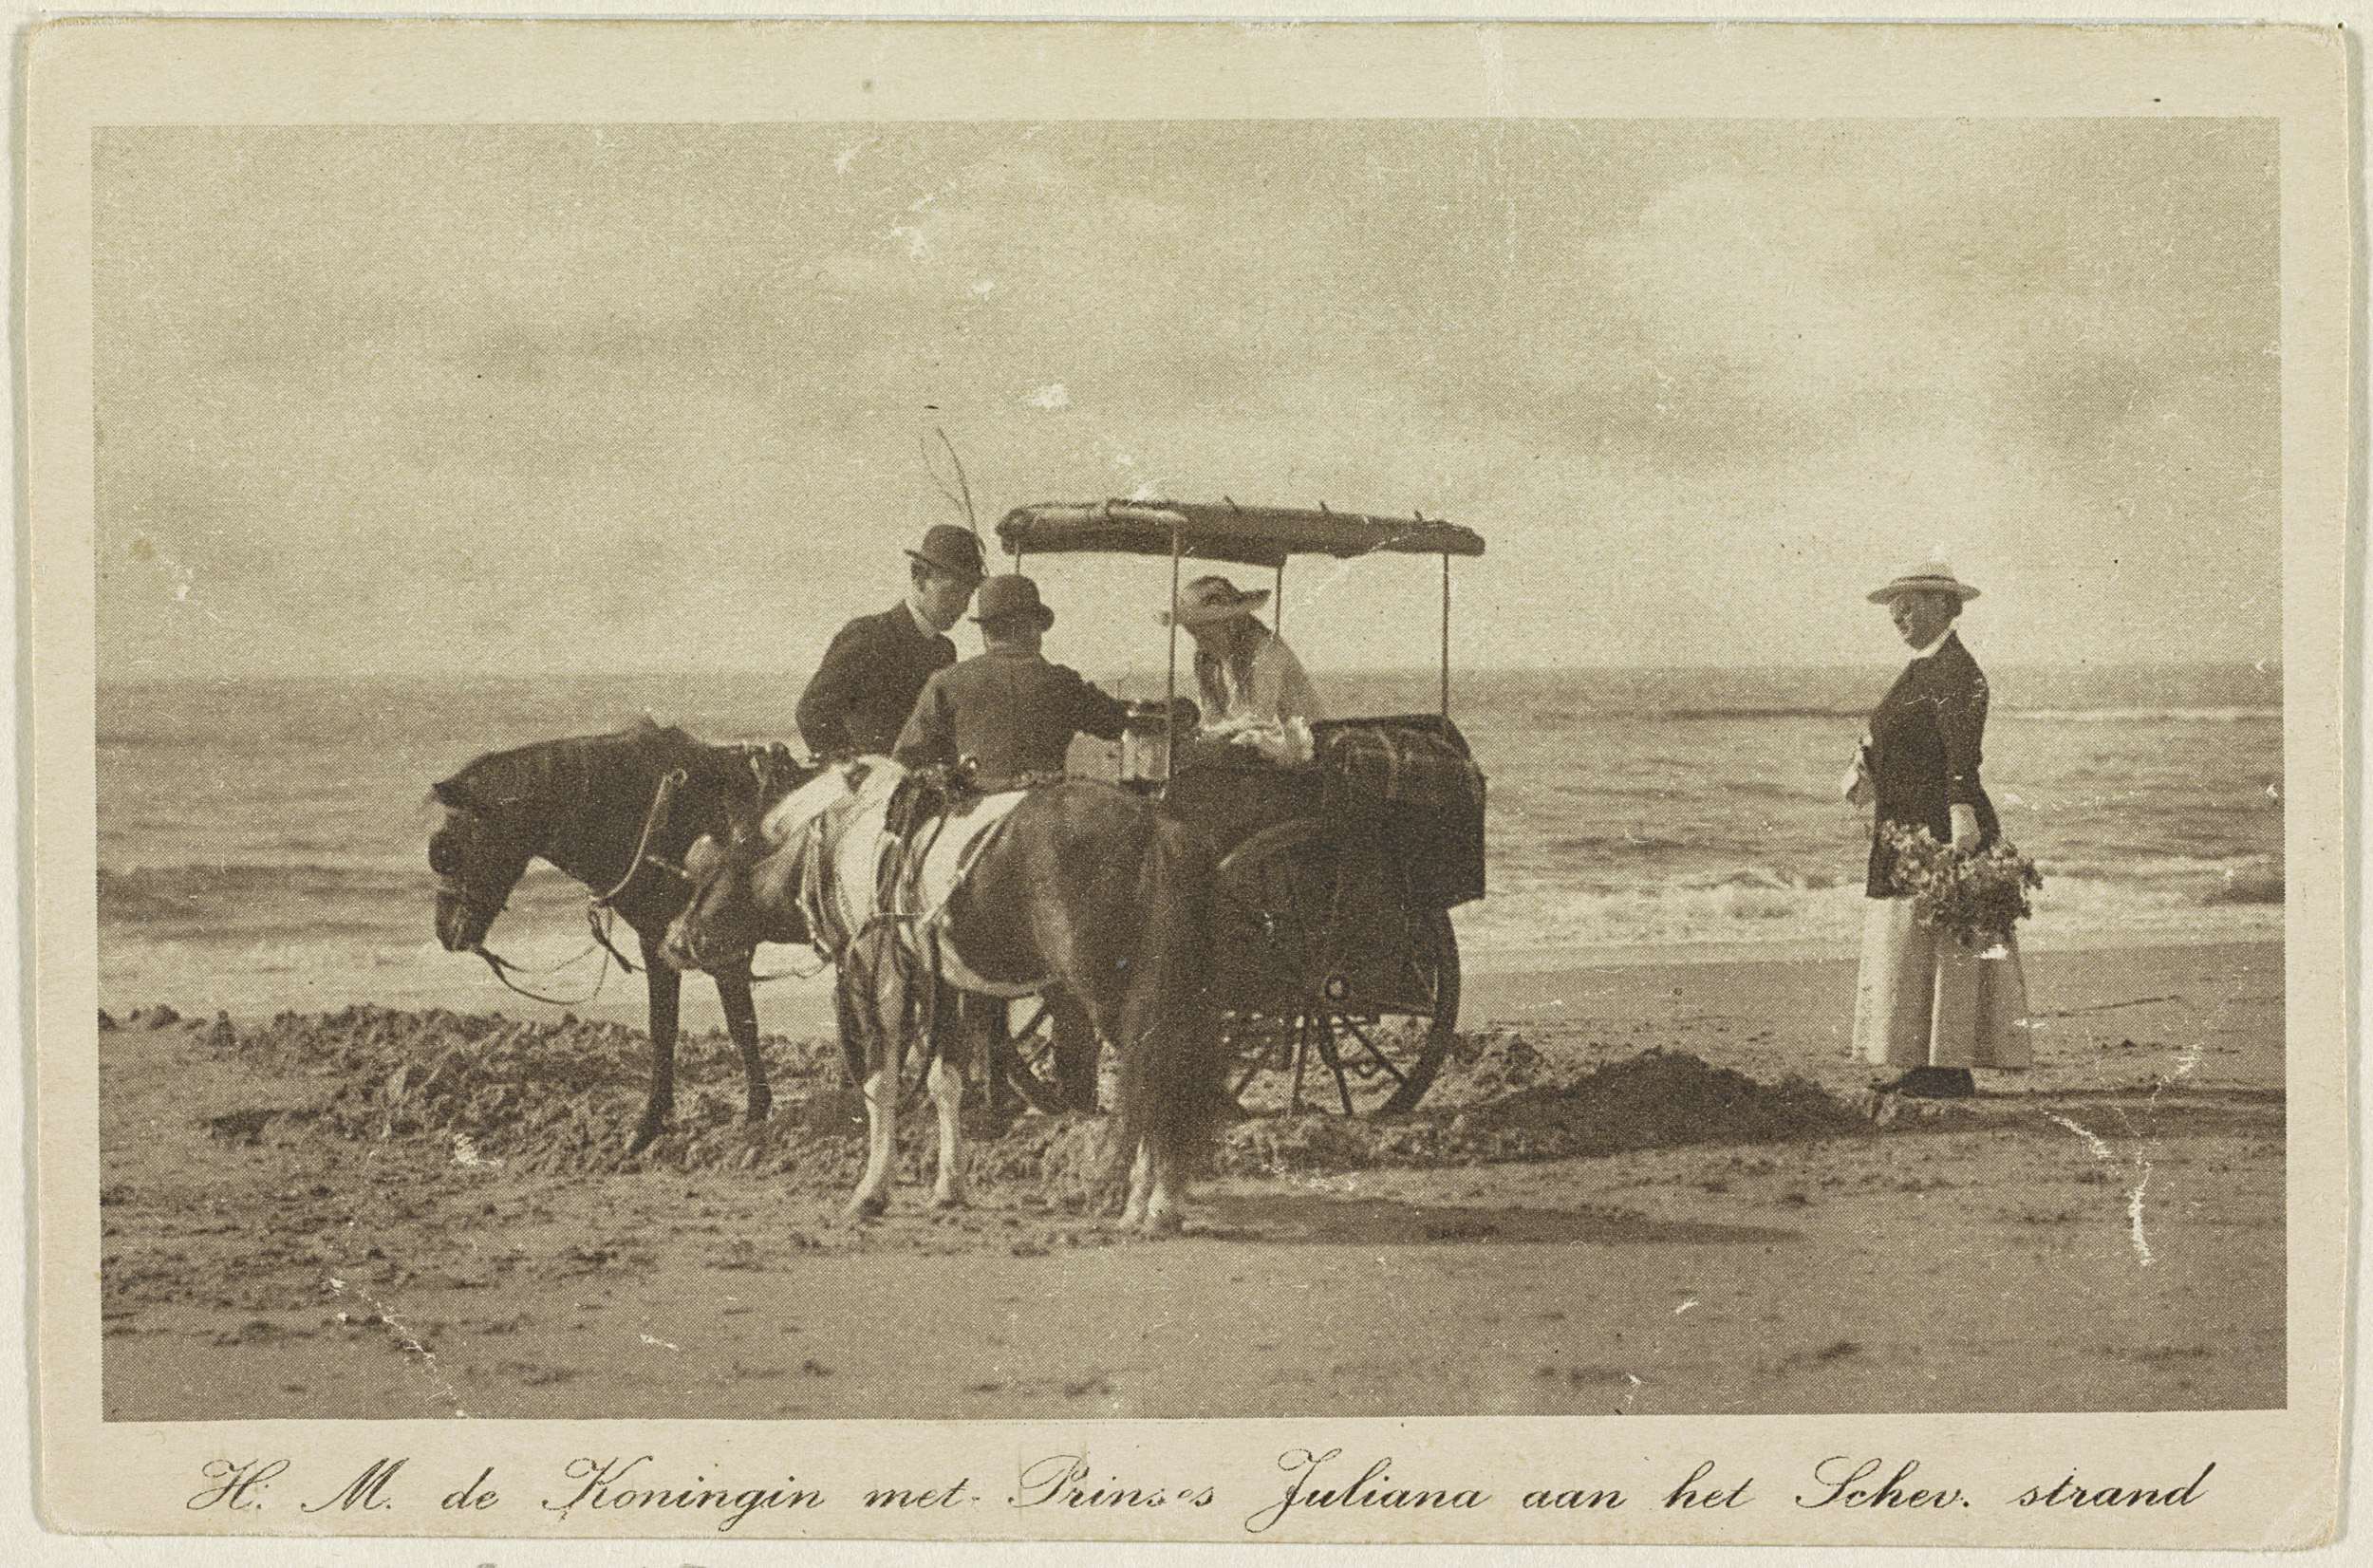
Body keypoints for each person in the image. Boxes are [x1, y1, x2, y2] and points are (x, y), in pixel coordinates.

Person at [1844, 559, 2030, 1097]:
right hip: (1905, 823)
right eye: (1894, 607)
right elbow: (1894, 732)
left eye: (1910, 605)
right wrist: (1863, 765)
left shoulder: (1958, 671)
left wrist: (1961, 811)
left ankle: (1948, 1068)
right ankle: (1926, 1062)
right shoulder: (1922, 667)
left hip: (1940, 824)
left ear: (1946, 607)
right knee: (1913, 939)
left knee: (1944, 938)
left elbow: (1962, 751)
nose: (1897, 615)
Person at [893, 573, 1140, 788]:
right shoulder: (1063, 683)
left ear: (986, 631)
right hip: (1047, 809)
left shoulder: (946, 683)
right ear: (1034, 629)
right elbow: (1120, 722)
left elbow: (905, 759)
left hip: (974, 814)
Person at [794, 524, 986, 760]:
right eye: (953, 592)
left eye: (968, 595)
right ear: (919, 578)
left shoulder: (944, 651)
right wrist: (855, 771)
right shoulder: (867, 636)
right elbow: (812, 713)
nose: (963, 606)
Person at [1161, 575, 1324, 727]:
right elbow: (1211, 718)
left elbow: (1258, 722)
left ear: (1231, 624)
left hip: (1307, 741)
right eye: (1194, 634)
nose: (1200, 644)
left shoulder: (1267, 652)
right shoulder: (1206, 659)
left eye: (1205, 634)